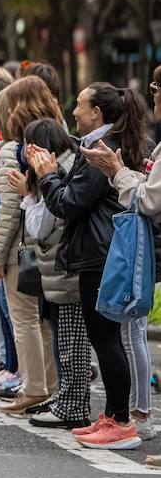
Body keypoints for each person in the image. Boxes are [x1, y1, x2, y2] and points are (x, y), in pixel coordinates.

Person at [30, 81, 149, 449]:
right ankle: (114, 416)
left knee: (106, 338)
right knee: (105, 337)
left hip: (100, 254)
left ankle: (120, 422)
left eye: (79, 105)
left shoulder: (101, 148)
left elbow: (68, 203)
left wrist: (47, 175)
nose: (74, 111)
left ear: (97, 112)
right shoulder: (98, 145)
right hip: (101, 252)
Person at [86, 63, 161, 447]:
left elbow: (148, 199)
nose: (154, 95)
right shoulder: (146, 144)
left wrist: (117, 172)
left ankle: (136, 415)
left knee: (131, 332)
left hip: (138, 246)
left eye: (156, 87)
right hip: (140, 245)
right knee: (133, 332)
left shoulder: (113, 148)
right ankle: (135, 413)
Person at [0, 77, 62, 412]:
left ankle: (33, 387)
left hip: (22, 247)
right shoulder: (56, 142)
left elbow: (7, 211)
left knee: (24, 319)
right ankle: (51, 385)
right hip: (52, 245)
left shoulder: (10, 150)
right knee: (45, 321)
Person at [14, 119, 92, 431]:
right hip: (62, 268)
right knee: (67, 339)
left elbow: (42, 226)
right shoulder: (66, 163)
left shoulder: (54, 171)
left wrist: (30, 194)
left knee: (72, 341)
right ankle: (67, 399)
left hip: (66, 269)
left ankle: (73, 404)